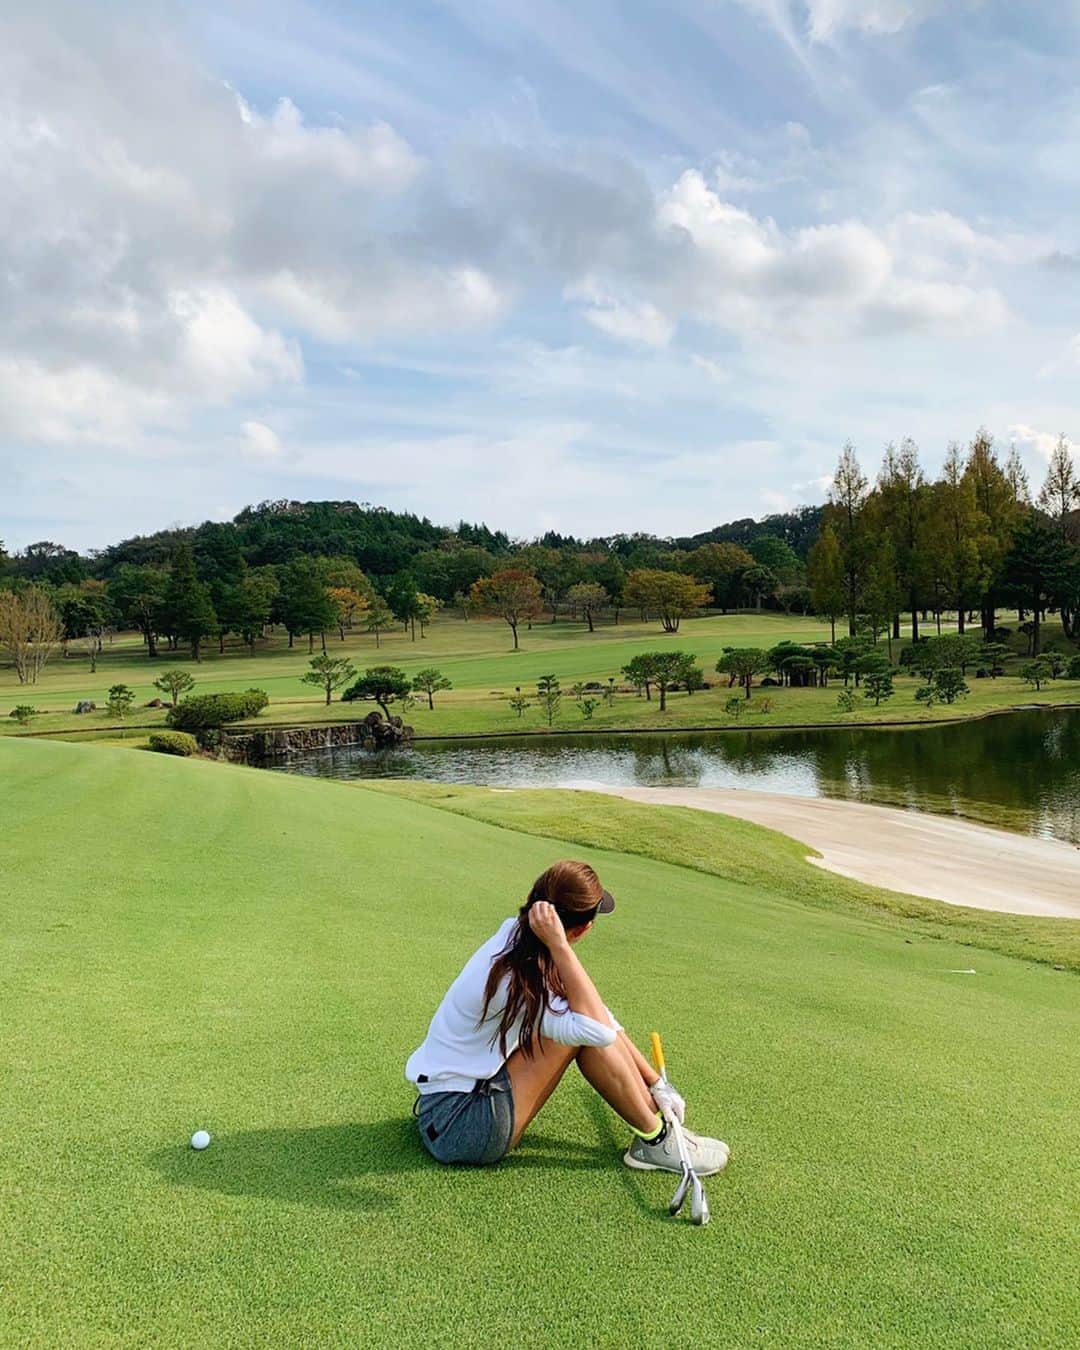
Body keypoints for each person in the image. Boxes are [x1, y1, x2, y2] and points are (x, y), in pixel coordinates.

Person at [406, 859, 729, 1174]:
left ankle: (661, 1133)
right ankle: (657, 1141)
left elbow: (598, 1012)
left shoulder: (520, 938)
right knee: (582, 1036)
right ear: (583, 929)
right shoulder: (520, 978)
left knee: (584, 1020)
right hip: (459, 1125)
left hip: (448, 1109)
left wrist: (656, 1083)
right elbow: (598, 1032)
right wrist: (561, 946)